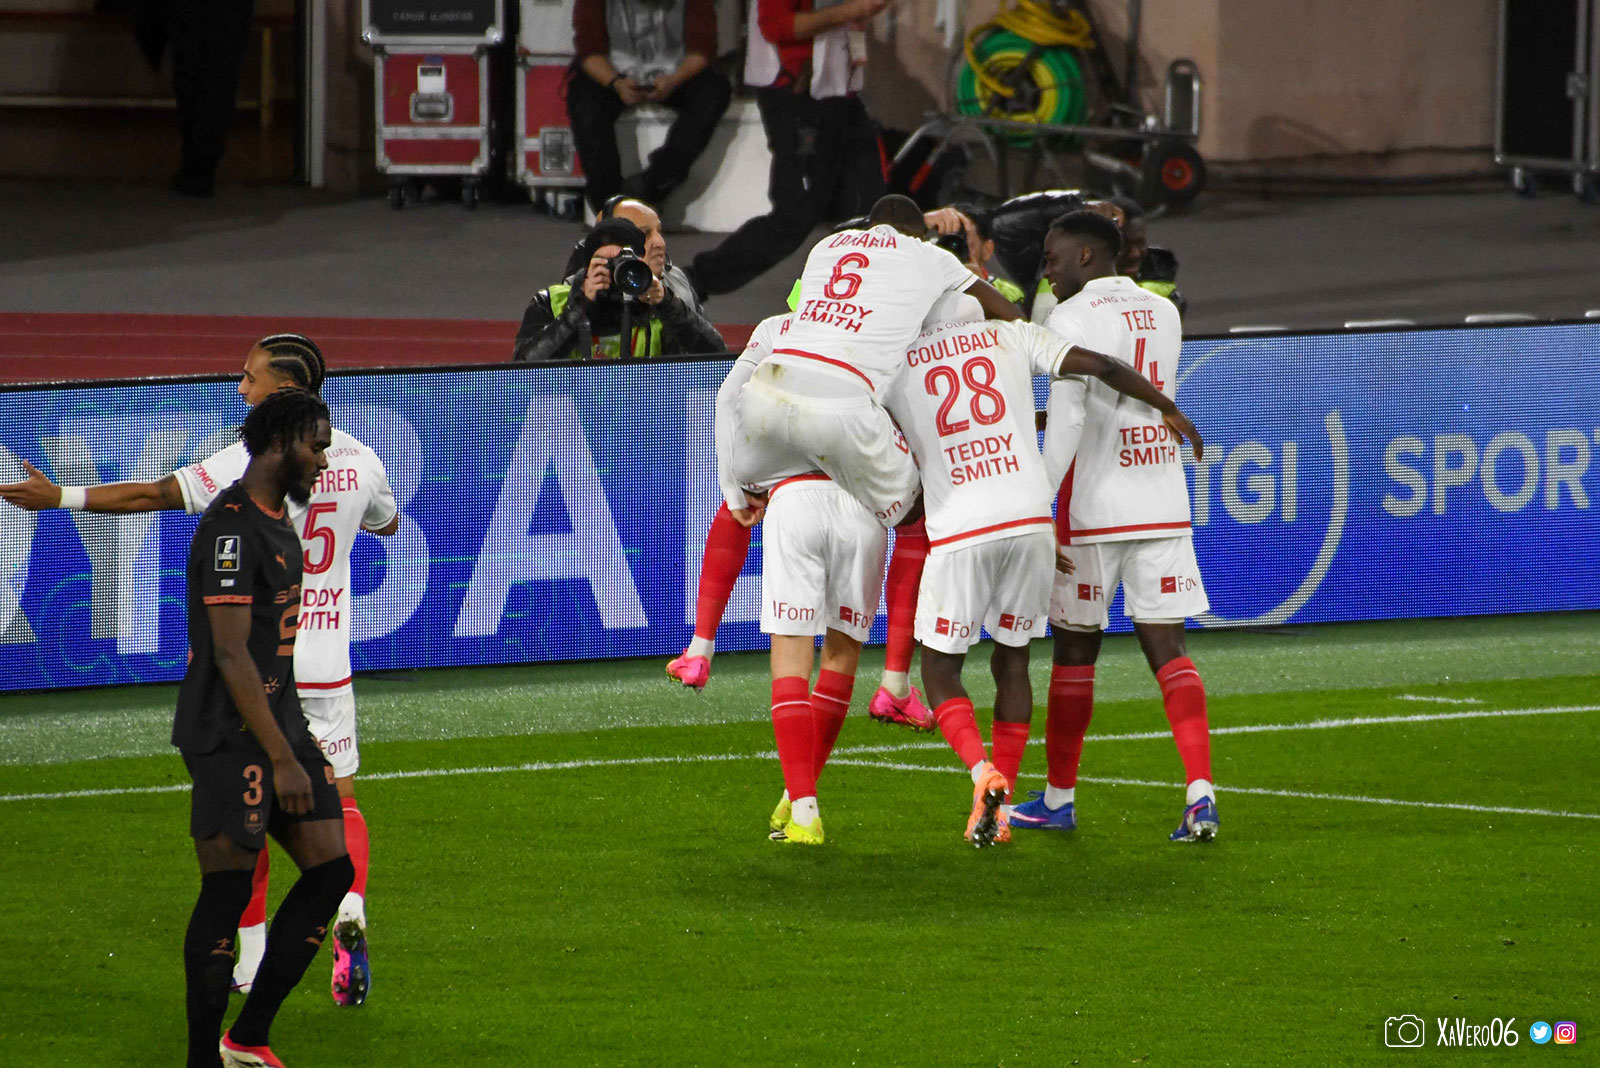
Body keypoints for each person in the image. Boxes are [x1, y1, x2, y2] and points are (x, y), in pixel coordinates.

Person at [0, 334, 398, 1005]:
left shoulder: (251, 460)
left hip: (262, 661)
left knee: (247, 805)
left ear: (283, 389)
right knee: (342, 798)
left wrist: (60, 496)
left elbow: (152, 495)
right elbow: (388, 526)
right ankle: (350, 903)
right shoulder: (359, 457)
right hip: (327, 658)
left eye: (251, 378)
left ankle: (250, 954)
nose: (241, 389)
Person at [886, 296, 1200, 847]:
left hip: (961, 527)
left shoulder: (897, 361)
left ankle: (982, 772)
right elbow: (1102, 366)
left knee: (939, 668)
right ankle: (1003, 810)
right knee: (1013, 660)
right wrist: (1166, 405)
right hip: (1031, 520)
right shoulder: (1012, 334)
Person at [1010, 210, 1218, 842]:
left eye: (1052, 258)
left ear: (1086, 257)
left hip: (1092, 510)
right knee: (1169, 650)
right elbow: (1136, 401)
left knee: (1076, 650)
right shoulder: (1164, 311)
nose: (1046, 270)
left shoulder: (1068, 318)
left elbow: (1072, 420)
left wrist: (1038, 504)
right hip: (1161, 500)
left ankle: (1059, 799)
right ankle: (1201, 793)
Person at [172, 387, 351, 1068]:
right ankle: (202, 1059)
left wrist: (292, 738)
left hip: (279, 724)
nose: (323, 459)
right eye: (315, 445)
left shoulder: (278, 519)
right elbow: (230, 653)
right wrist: (281, 758)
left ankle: (247, 1038)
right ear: (279, 443)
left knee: (331, 870)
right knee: (226, 891)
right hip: (227, 734)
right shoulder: (231, 529)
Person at [685, 0, 902, 297]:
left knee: (870, 202)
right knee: (795, 212)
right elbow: (775, 26)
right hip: (795, 92)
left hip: (839, 90)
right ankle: (694, 282)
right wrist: (854, 10)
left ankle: (867, 300)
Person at [759, 472, 887, 845]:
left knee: (791, 657)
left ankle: (804, 812)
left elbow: (743, 483)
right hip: (863, 510)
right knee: (842, 653)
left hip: (796, 503)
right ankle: (796, 792)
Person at [567, 0, 732, 212]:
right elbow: (588, 50)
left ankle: (655, 182)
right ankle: (607, 200)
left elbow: (703, 50)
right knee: (584, 100)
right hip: (615, 75)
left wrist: (674, 80)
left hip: (674, 75)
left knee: (714, 91)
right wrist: (615, 82)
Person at [512, 215, 726, 361]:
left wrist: (666, 303)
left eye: (623, 262)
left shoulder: (658, 307)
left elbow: (715, 359)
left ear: (640, 264)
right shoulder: (550, 302)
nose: (614, 271)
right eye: (604, 262)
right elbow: (523, 369)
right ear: (587, 268)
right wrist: (579, 310)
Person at [1105, 194, 1188, 315]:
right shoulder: (1080, 298)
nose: (1135, 254)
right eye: (1123, 246)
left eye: (1140, 244)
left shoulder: (1166, 297)